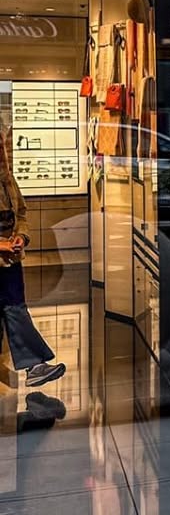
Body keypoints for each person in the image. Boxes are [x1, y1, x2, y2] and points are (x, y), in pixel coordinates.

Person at [0, 131, 66, 389]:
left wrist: (21, 237)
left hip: (10, 261)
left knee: (14, 308)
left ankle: (34, 366)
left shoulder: (8, 180)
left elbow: (22, 214)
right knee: (13, 309)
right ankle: (34, 365)